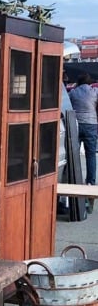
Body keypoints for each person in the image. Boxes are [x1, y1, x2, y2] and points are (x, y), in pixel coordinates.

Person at [69, 72, 98, 210]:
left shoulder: (73, 93)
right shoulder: (94, 91)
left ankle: (73, 182)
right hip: (91, 125)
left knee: (74, 156)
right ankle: (90, 184)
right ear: (89, 82)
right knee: (91, 155)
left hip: (76, 125)